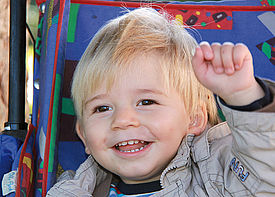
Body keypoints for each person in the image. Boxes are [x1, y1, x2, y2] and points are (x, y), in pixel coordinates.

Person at [47, 7, 275, 197]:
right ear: (84, 134)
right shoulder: (74, 190)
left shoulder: (217, 176)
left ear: (193, 118)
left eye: (146, 102)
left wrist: (243, 97)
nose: (123, 120)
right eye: (102, 108)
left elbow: (265, 179)